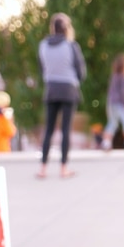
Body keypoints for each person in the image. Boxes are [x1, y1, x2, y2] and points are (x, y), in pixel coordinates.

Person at [37, 12, 86, 178]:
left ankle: (43, 168)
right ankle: (63, 168)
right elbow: (81, 71)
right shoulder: (71, 45)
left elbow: (42, 68)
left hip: (51, 89)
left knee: (49, 129)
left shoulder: (43, 45)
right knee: (66, 129)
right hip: (68, 90)